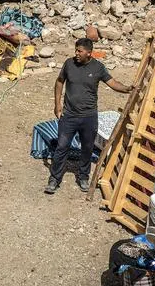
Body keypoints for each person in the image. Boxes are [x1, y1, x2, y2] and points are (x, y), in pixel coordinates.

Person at [46, 37, 131, 194]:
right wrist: (57, 105)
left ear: (89, 53)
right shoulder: (68, 64)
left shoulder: (98, 68)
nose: (76, 53)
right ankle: (54, 179)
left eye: (80, 51)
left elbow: (113, 83)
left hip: (89, 116)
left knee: (87, 148)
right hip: (69, 115)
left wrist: (128, 89)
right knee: (62, 146)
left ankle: (83, 177)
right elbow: (59, 82)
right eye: (76, 50)